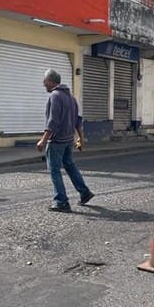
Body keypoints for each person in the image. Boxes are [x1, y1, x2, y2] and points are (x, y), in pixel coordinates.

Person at [36, 69, 94, 213]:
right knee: (70, 166)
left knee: (54, 170)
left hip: (57, 141)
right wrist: (80, 138)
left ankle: (61, 201)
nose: (43, 83)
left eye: (45, 81)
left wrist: (43, 140)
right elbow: (78, 121)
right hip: (68, 140)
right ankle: (84, 192)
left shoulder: (55, 96)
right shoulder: (71, 98)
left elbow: (53, 121)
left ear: (51, 81)